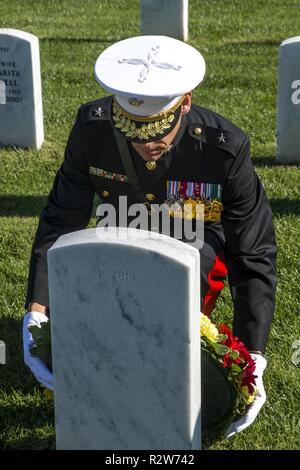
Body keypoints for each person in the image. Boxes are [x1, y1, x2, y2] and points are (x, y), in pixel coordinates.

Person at [22, 36, 277, 437]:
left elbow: (253, 251)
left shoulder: (223, 150)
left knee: (168, 346)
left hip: (193, 247)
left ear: (185, 103)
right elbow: (61, 219)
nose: (144, 144)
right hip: (118, 236)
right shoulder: (92, 130)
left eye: (157, 131)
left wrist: (253, 354)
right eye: (131, 132)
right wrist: (37, 310)